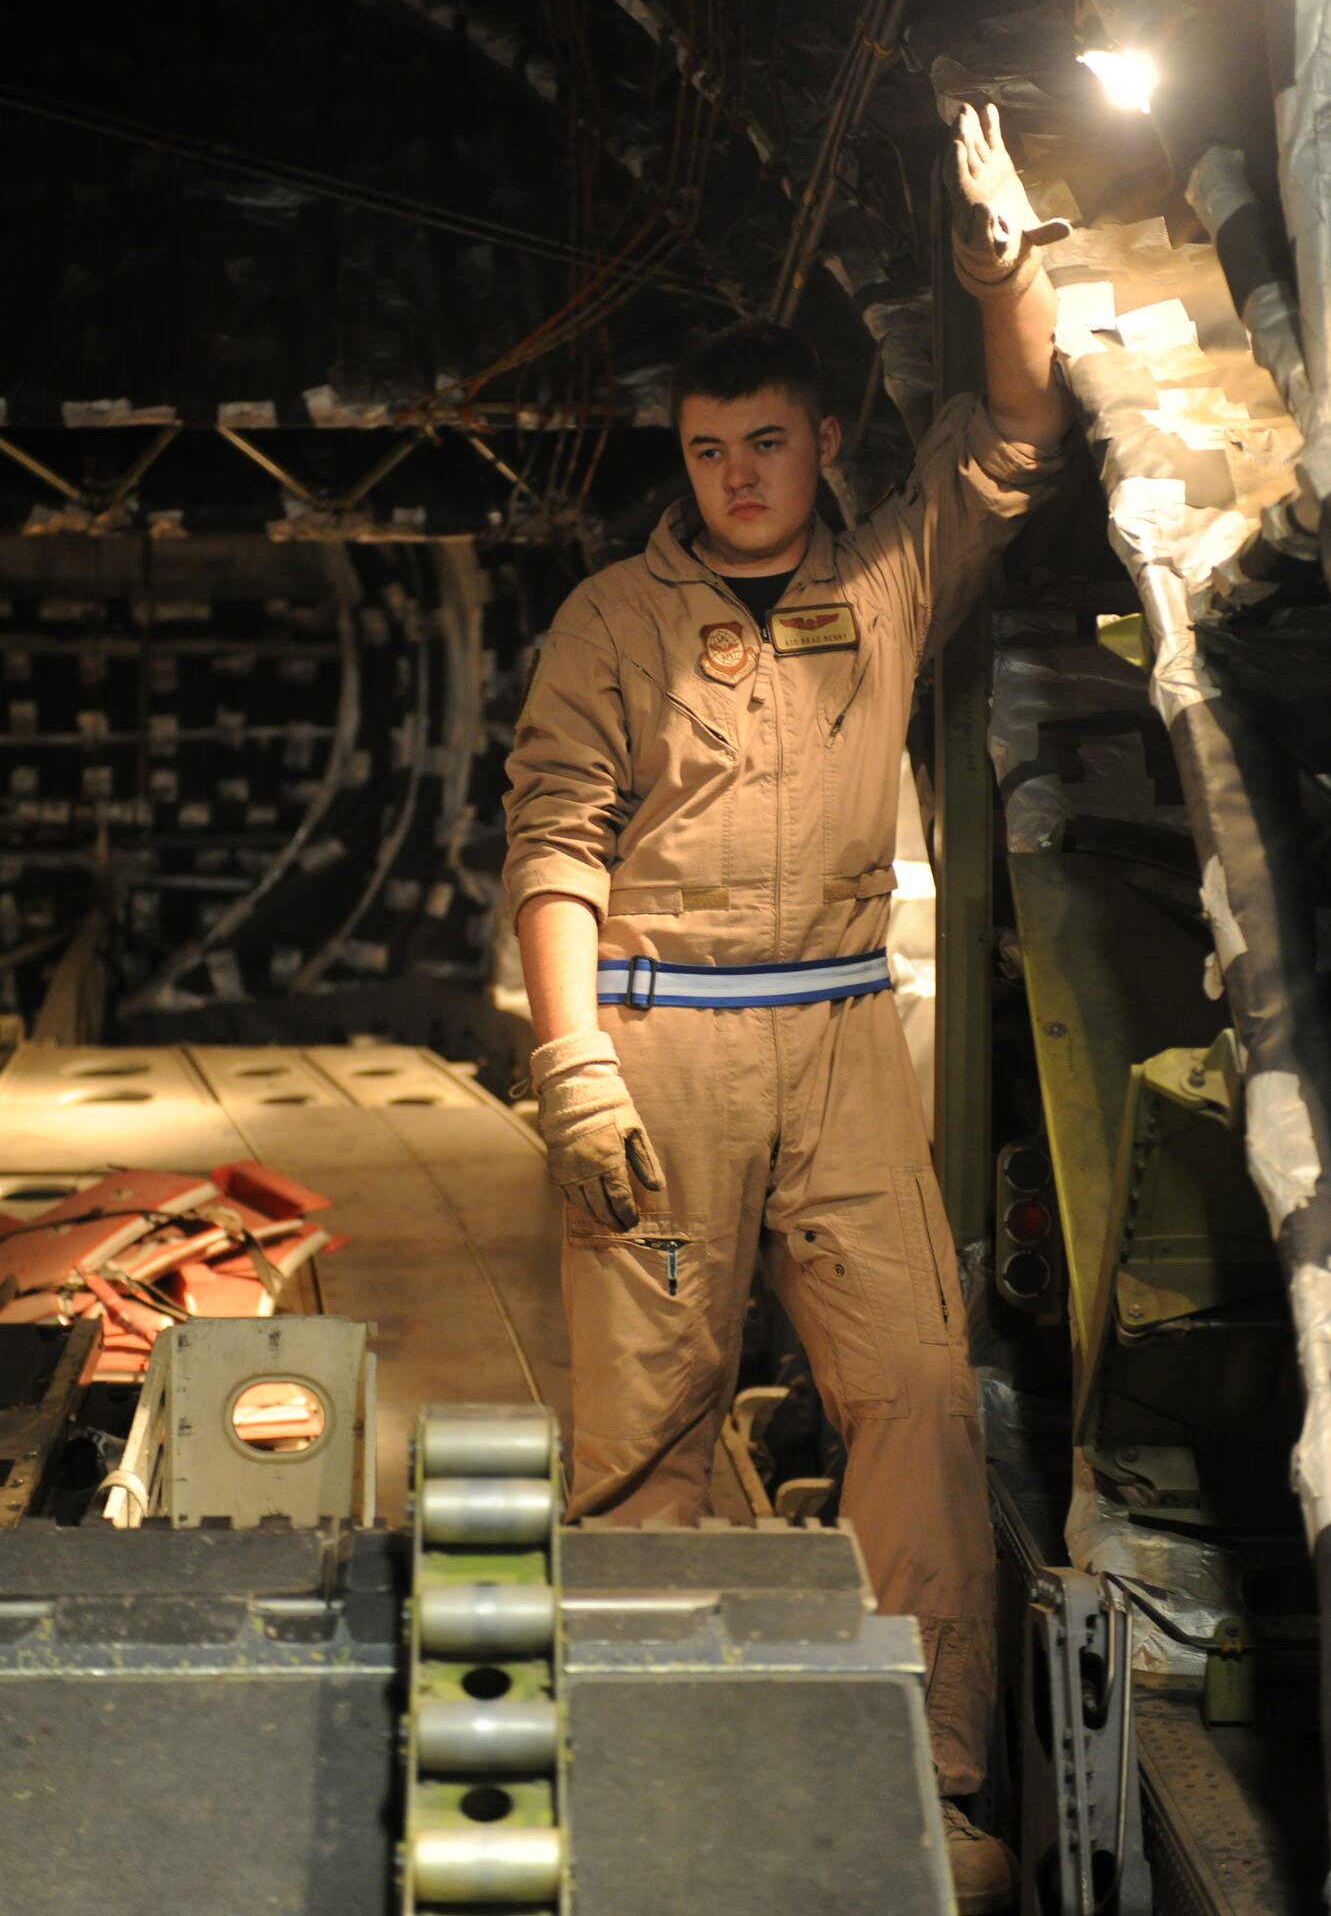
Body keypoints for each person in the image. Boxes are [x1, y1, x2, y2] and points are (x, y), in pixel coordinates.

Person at [503, 103, 1071, 1913]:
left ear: (826, 444)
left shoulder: (882, 585)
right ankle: (661, 1783)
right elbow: (553, 835)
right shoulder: (615, 619)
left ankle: (938, 1785)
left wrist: (1004, 275)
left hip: (838, 1049)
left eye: (765, 443)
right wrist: (575, 1065)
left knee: (911, 1393)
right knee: (649, 1433)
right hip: (657, 1051)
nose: (736, 475)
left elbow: (1013, 439)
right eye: (705, 448)